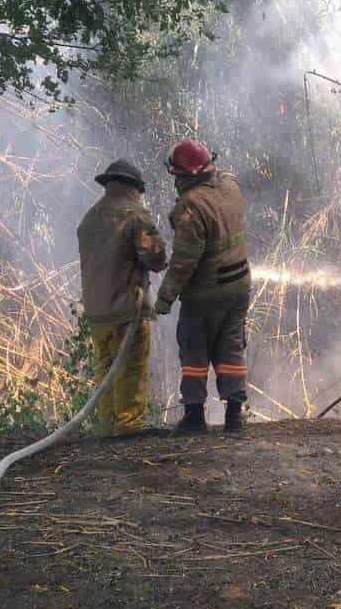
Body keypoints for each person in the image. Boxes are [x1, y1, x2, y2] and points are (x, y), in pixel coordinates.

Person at [154, 139, 251, 433]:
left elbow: (184, 260)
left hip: (205, 294)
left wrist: (165, 297)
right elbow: (227, 179)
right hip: (239, 288)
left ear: (186, 175)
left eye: (177, 175)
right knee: (231, 348)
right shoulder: (230, 187)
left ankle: (195, 417)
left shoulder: (190, 207)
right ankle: (235, 415)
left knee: (194, 351)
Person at [77, 159, 167, 436]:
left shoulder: (90, 218)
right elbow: (156, 258)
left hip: (96, 312)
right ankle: (129, 426)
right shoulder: (135, 216)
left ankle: (107, 426)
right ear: (132, 188)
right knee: (130, 366)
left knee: (105, 369)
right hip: (127, 308)